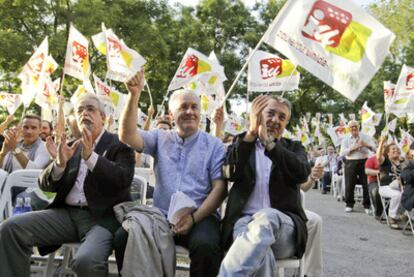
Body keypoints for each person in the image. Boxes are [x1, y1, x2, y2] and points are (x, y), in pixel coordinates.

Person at [0, 93, 135, 277]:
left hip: (102, 219)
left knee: (86, 262)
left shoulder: (119, 145)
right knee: (10, 228)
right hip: (66, 215)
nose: (84, 113)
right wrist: (59, 164)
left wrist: (91, 158)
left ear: (102, 117)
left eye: (90, 109)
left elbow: (122, 179)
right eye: (80, 110)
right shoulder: (70, 145)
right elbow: (44, 185)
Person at [116, 70, 226, 277]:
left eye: (194, 107)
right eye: (183, 107)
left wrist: (193, 219)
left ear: (201, 112)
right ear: (171, 114)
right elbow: (127, 135)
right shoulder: (160, 137)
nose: (189, 111)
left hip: (200, 218)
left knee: (207, 247)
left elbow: (220, 189)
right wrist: (134, 95)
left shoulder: (215, 145)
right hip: (161, 216)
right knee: (124, 236)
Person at [219, 95, 310, 276]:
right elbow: (229, 173)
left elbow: (301, 173)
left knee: (267, 217)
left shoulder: (293, 147)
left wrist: (270, 144)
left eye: (282, 117)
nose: (276, 120)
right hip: (244, 223)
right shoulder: (241, 142)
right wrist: (251, 135)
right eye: (271, 113)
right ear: (258, 115)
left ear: (286, 123)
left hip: (284, 228)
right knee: (261, 252)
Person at [340, 120, 375, 213]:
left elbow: (374, 148)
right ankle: (349, 204)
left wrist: (365, 145)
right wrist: (353, 148)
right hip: (350, 162)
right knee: (349, 184)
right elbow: (342, 153)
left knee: (366, 184)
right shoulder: (345, 139)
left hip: (364, 161)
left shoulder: (365, 137)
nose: (354, 128)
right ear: (349, 128)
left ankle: (367, 205)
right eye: (352, 127)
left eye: (355, 126)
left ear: (359, 127)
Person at [300, 164, 324, 277]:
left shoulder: (288, 151)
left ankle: (310, 274)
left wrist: (312, 178)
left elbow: (303, 187)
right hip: (254, 209)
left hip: (285, 208)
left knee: (315, 221)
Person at [377, 137, 403, 229]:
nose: (396, 150)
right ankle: (392, 217)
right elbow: (378, 156)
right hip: (385, 188)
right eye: (393, 149)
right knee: (397, 195)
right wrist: (381, 142)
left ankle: (407, 216)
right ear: (388, 153)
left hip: (401, 187)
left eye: (397, 149)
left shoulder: (402, 162)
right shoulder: (385, 161)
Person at [365, 154, 383, 219]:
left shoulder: (390, 159)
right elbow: (367, 171)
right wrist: (380, 172)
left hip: (387, 182)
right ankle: (379, 212)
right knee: (376, 191)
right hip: (374, 181)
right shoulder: (372, 159)